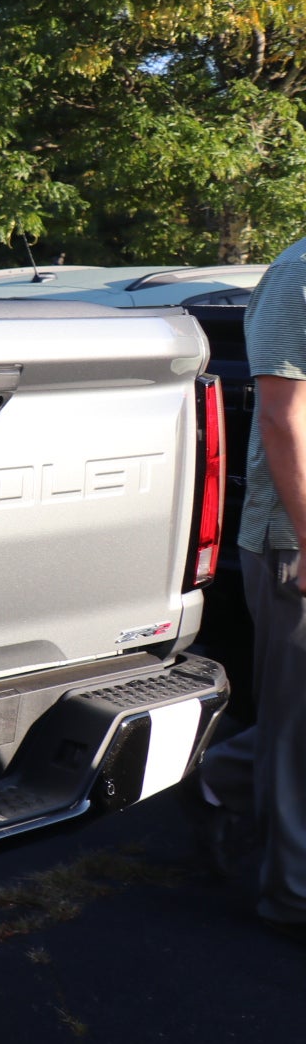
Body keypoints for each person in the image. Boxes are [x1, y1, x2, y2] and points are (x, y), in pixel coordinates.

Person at [204, 233, 306, 940]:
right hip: (292, 541)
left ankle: (216, 779)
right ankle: (293, 898)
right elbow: (281, 416)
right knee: (300, 735)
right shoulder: (300, 273)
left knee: (291, 724)